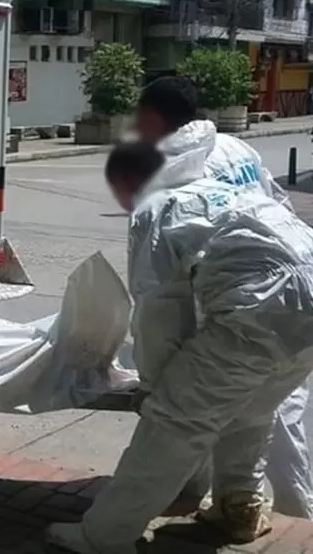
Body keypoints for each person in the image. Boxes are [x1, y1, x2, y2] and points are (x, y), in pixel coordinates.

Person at [47, 141, 313, 553]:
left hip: (259, 310)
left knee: (173, 424)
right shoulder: (222, 191)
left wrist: (154, 387)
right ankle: (238, 506)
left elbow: (158, 312)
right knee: (252, 411)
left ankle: (102, 537)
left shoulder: (157, 207)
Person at [134, 75, 313, 520]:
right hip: (290, 285)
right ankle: (277, 509)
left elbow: (159, 294)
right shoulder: (235, 148)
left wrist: (156, 379)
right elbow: (279, 205)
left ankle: (188, 493)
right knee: (270, 414)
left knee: (200, 412)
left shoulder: (176, 169)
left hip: (236, 305)